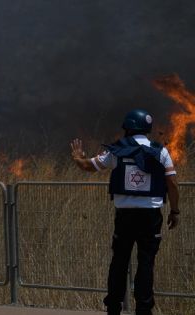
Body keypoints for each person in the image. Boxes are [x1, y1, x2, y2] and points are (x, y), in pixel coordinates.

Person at [70, 109, 180, 315]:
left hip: (125, 216)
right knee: (146, 262)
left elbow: (88, 166)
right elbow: (172, 183)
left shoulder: (117, 151)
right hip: (151, 216)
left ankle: (113, 307)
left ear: (127, 127)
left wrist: (78, 157)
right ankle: (144, 309)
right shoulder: (161, 151)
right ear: (147, 129)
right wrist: (175, 211)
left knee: (119, 261)